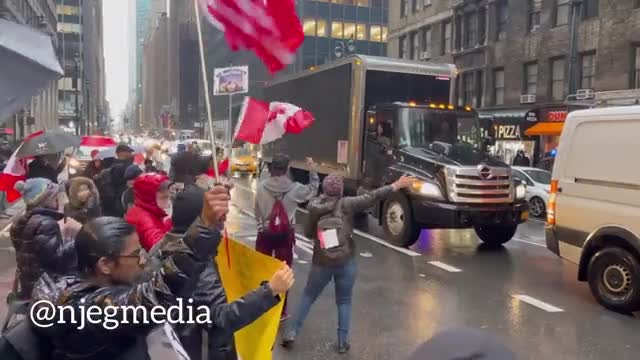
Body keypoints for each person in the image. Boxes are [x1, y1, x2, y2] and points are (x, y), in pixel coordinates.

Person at [30, 186, 231, 360]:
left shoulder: (83, 284)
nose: (143, 260)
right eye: (135, 255)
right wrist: (204, 225)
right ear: (105, 264)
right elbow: (157, 294)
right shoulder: (91, 311)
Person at [153, 184, 293, 360]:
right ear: (201, 219)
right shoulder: (198, 263)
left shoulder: (161, 248)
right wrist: (270, 290)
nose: (224, 220)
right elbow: (220, 319)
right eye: (217, 216)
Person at [281, 174, 416, 353]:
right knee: (344, 301)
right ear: (340, 191)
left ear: (324, 188)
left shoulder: (314, 207)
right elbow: (372, 197)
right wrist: (396, 185)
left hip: (321, 262)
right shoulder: (347, 204)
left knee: (308, 296)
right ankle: (342, 342)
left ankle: (291, 333)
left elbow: (307, 234)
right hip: (346, 260)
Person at [254, 154, 319, 319]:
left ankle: (259, 307)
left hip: (265, 234)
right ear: (287, 169)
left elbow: (257, 211)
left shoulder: (261, 187)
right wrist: (312, 167)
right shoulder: (295, 188)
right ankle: (281, 310)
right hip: (285, 235)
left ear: (271, 169)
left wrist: (261, 227)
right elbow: (313, 188)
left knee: (261, 269)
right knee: (284, 272)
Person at [10, 178, 81, 300]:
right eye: (54, 197)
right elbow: (56, 259)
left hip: (29, 282)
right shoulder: (46, 223)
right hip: (46, 286)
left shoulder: (21, 220)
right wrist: (74, 239)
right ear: (44, 200)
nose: (58, 200)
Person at [125, 172, 173, 251]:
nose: (168, 202)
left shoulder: (141, 210)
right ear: (149, 197)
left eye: (168, 197)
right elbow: (160, 247)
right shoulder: (146, 219)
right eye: (163, 198)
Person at [97, 144, 134, 217]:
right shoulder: (120, 166)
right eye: (128, 152)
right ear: (121, 153)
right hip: (119, 198)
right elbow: (117, 182)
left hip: (115, 198)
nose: (130, 154)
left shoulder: (115, 165)